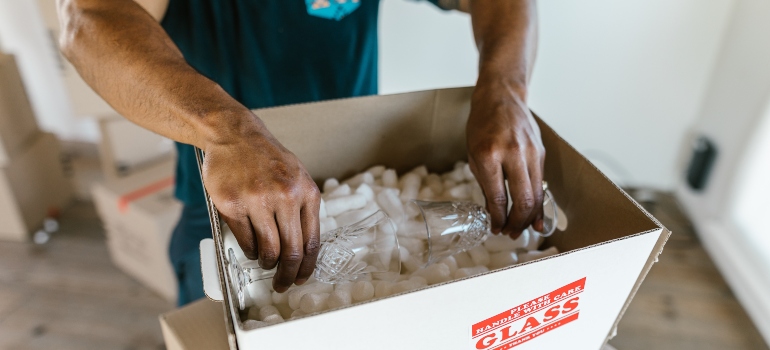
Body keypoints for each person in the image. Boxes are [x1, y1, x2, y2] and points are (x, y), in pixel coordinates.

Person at [58, 0, 545, 306]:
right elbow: (87, 17)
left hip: (356, 176)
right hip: (227, 208)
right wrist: (230, 132)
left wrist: (504, 89)